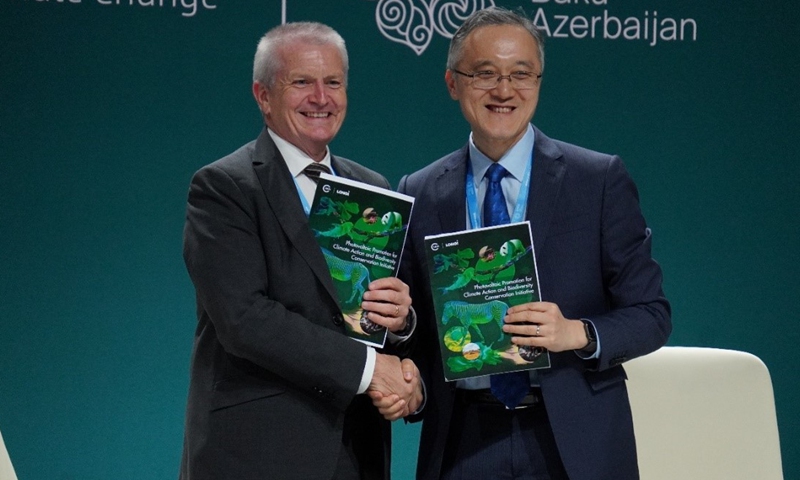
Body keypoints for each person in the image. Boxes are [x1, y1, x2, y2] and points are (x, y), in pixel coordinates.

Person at [398, 7, 671, 480]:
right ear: (452, 83)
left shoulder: (598, 180)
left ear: (539, 82)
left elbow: (652, 314)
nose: (504, 91)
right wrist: (403, 342)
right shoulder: (419, 191)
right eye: (486, 74)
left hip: (575, 439)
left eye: (521, 75)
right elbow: (415, 327)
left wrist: (577, 334)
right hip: (463, 438)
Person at [179, 22, 422, 480]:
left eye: (333, 82)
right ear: (263, 95)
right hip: (256, 455)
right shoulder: (224, 187)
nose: (321, 97)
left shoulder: (371, 189)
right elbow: (244, 320)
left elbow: (367, 318)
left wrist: (401, 321)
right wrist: (371, 369)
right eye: (302, 82)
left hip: (357, 452)